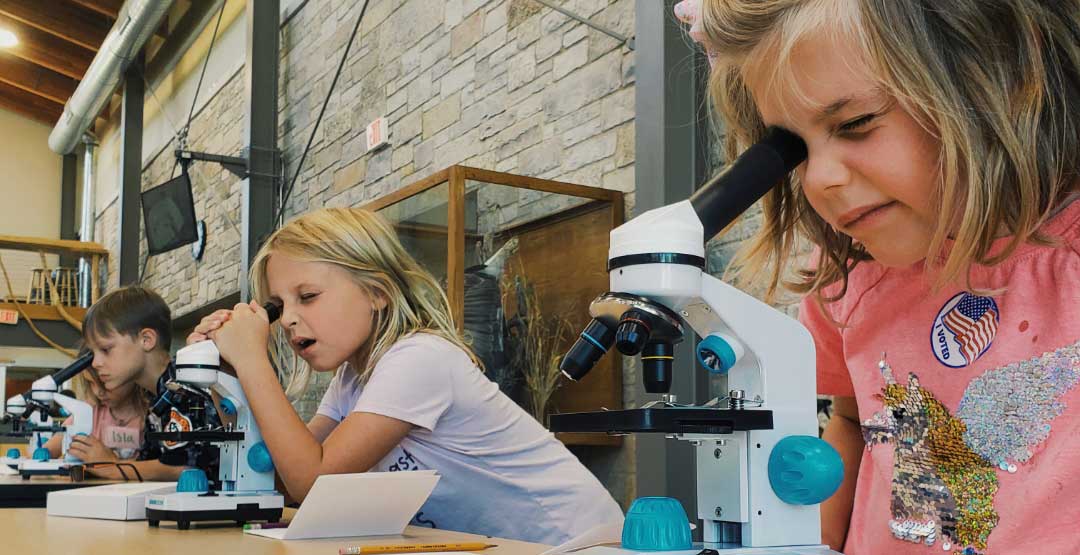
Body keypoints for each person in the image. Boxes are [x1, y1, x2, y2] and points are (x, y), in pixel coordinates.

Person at [678, 1, 1080, 553]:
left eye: (856, 124)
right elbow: (850, 418)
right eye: (796, 151)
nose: (820, 180)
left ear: (998, 77)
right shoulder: (844, 283)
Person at [190, 207, 623, 545]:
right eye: (278, 306)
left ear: (376, 292)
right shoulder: (351, 381)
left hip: (576, 543)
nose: (287, 320)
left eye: (308, 296)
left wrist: (253, 363)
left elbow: (312, 480)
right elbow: (283, 480)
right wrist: (227, 382)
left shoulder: (420, 358)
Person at [80, 286, 221, 482]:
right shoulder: (153, 398)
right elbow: (152, 460)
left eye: (106, 349)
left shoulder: (184, 388)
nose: (96, 363)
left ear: (146, 340)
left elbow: (184, 467)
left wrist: (112, 468)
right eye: (93, 353)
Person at [44, 351, 148, 463]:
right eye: (90, 382)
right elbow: (51, 448)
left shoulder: (150, 416)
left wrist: (110, 461)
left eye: (104, 382)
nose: (98, 392)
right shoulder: (89, 411)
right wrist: (44, 453)